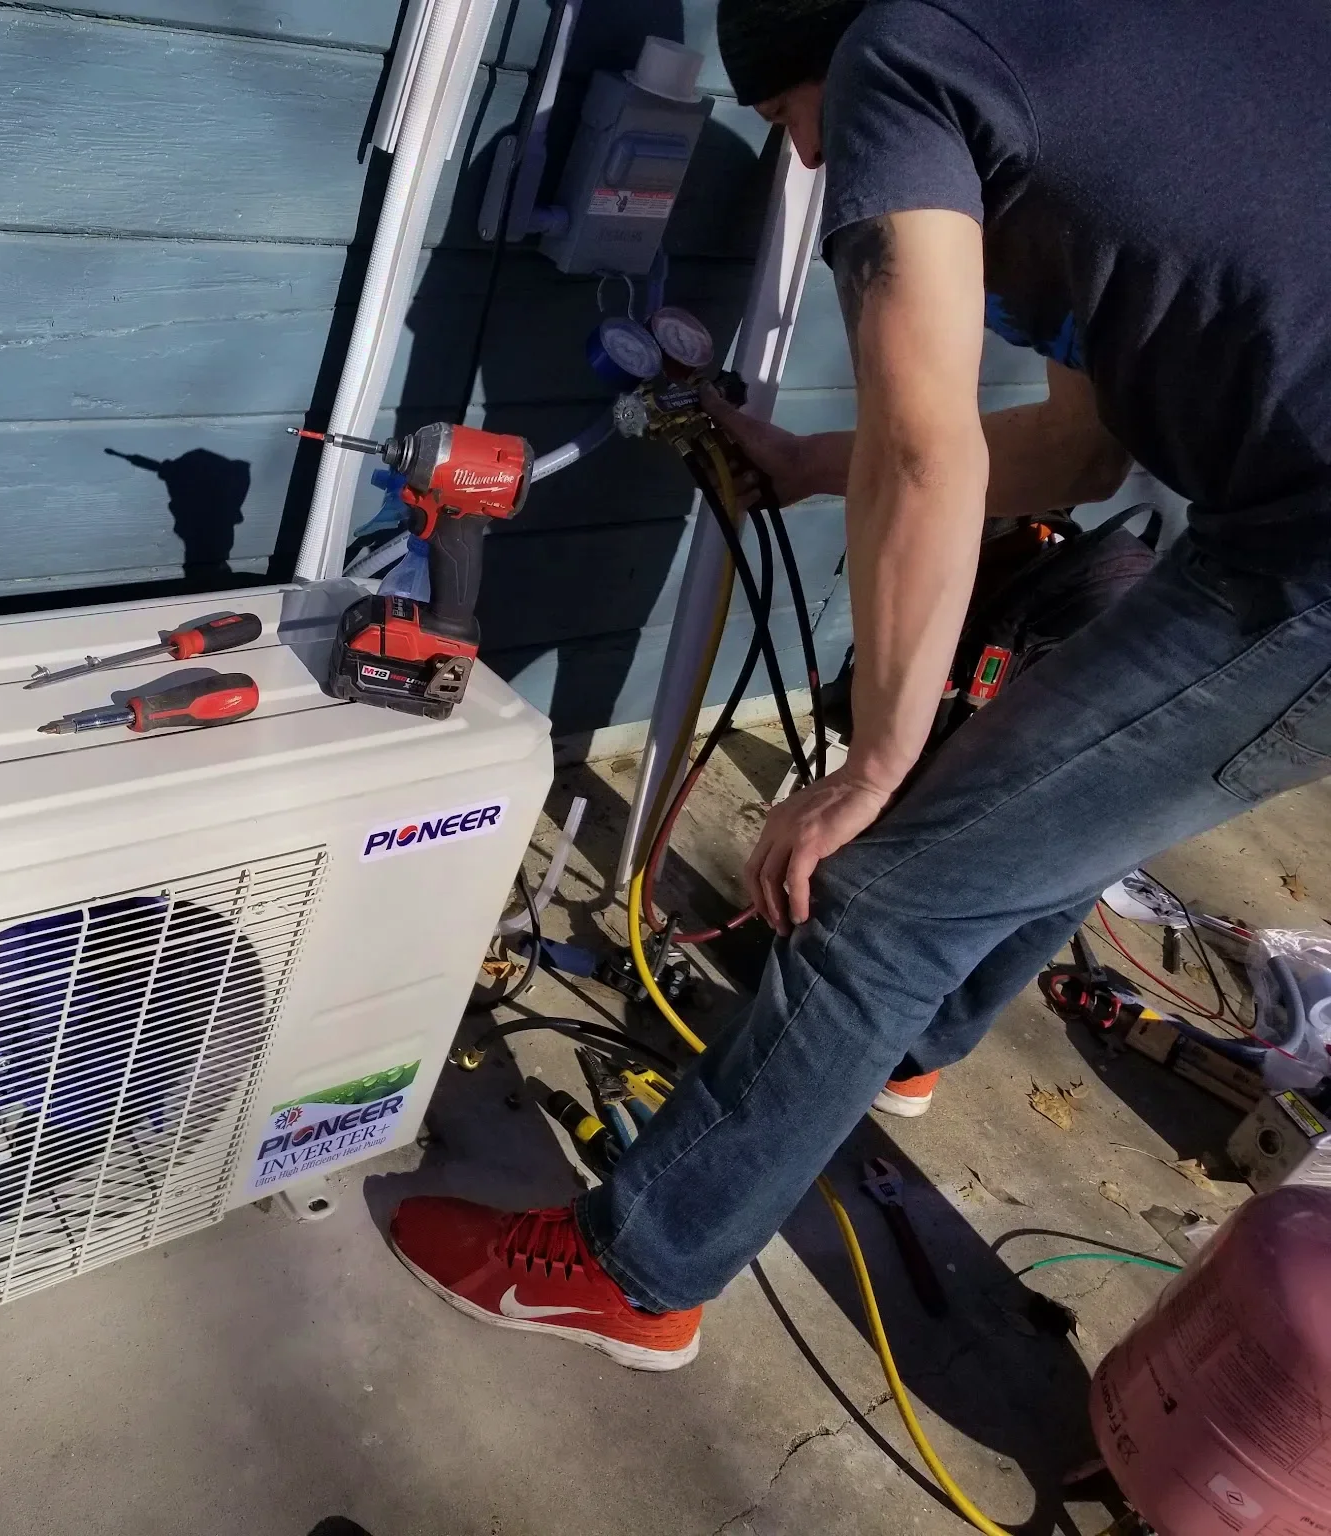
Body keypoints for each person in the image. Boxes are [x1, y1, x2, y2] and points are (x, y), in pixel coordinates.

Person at [389, 0, 1331, 1368]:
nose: (813, 163)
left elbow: (927, 453)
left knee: (884, 892)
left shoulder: (905, 44)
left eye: (788, 121)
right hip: (1280, 523)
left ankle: (635, 1270)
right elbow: (1077, 455)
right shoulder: (1123, 66)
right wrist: (810, 465)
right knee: (1052, 805)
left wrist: (874, 770)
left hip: (1306, 556)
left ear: (825, 56)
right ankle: (901, 1045)